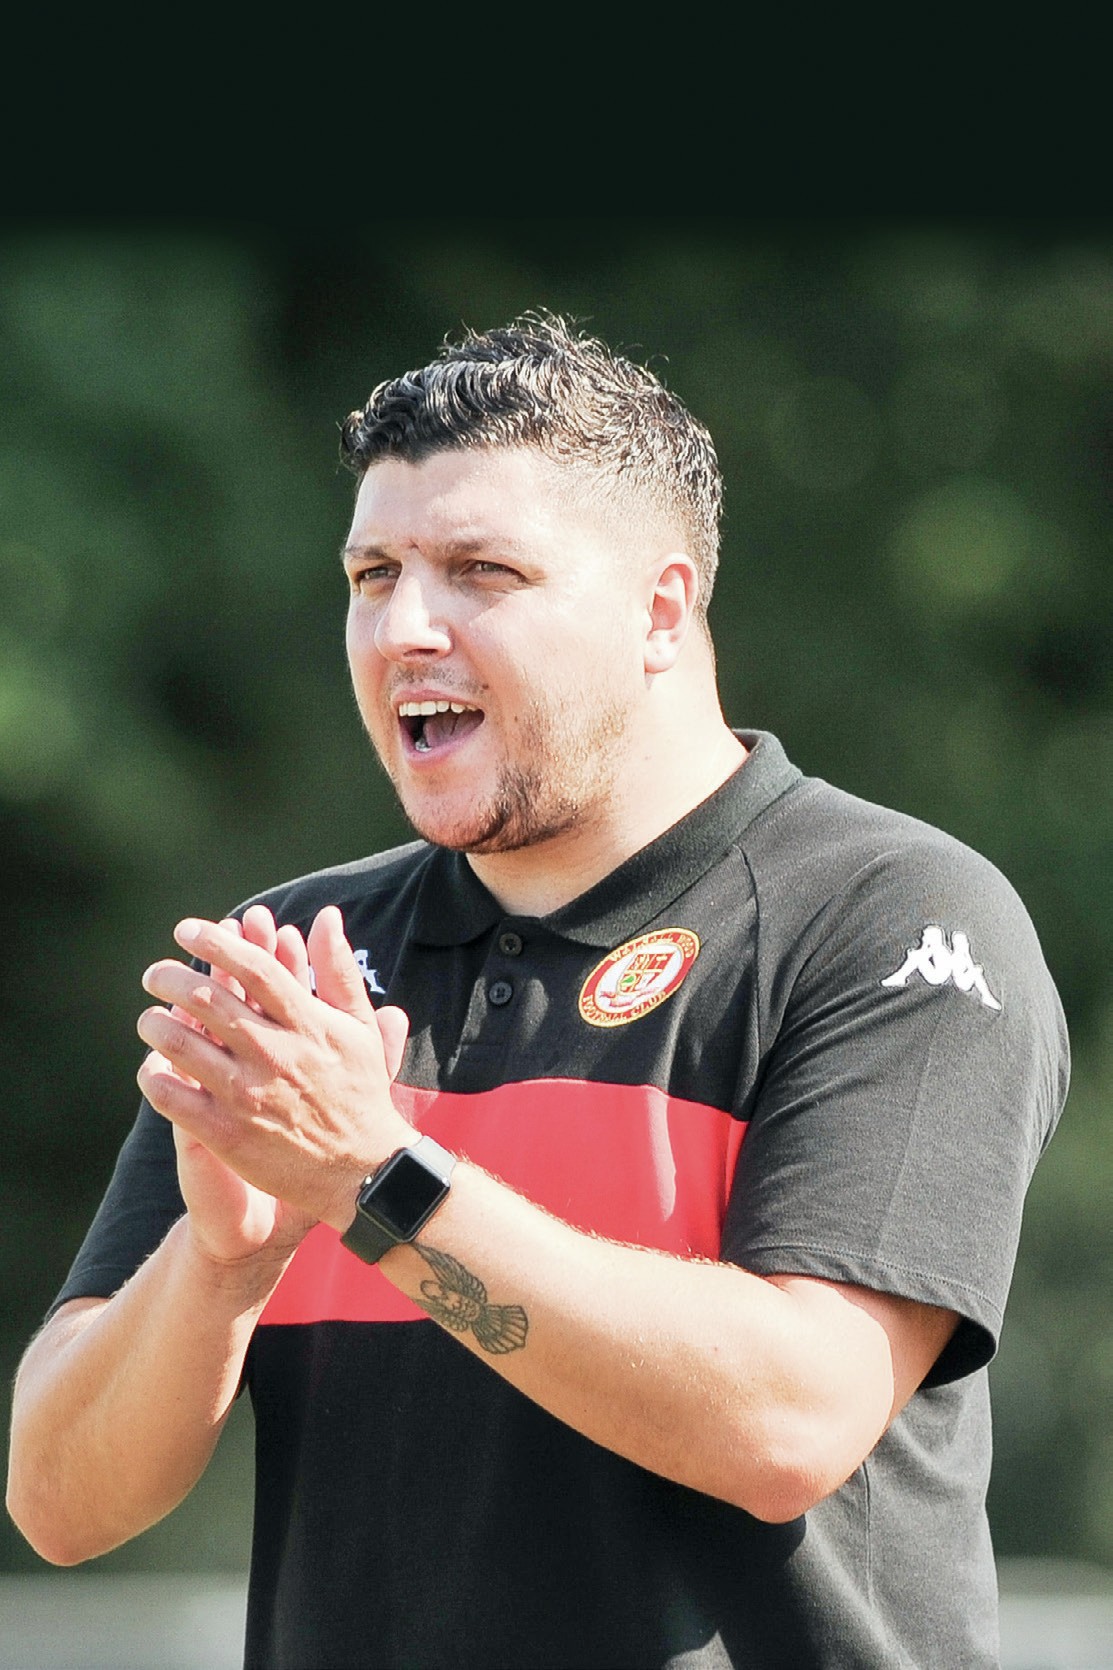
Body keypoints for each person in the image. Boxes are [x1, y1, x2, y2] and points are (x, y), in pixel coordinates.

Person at [6, 311, 1069, 1670]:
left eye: (481, 571)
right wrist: (223, 1264)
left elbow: (788, 1424)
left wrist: (369, 1177)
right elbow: (59, 1500)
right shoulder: (301, 957)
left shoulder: (892, 917)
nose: (404, 627)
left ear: (660, 611)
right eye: (373, 573)